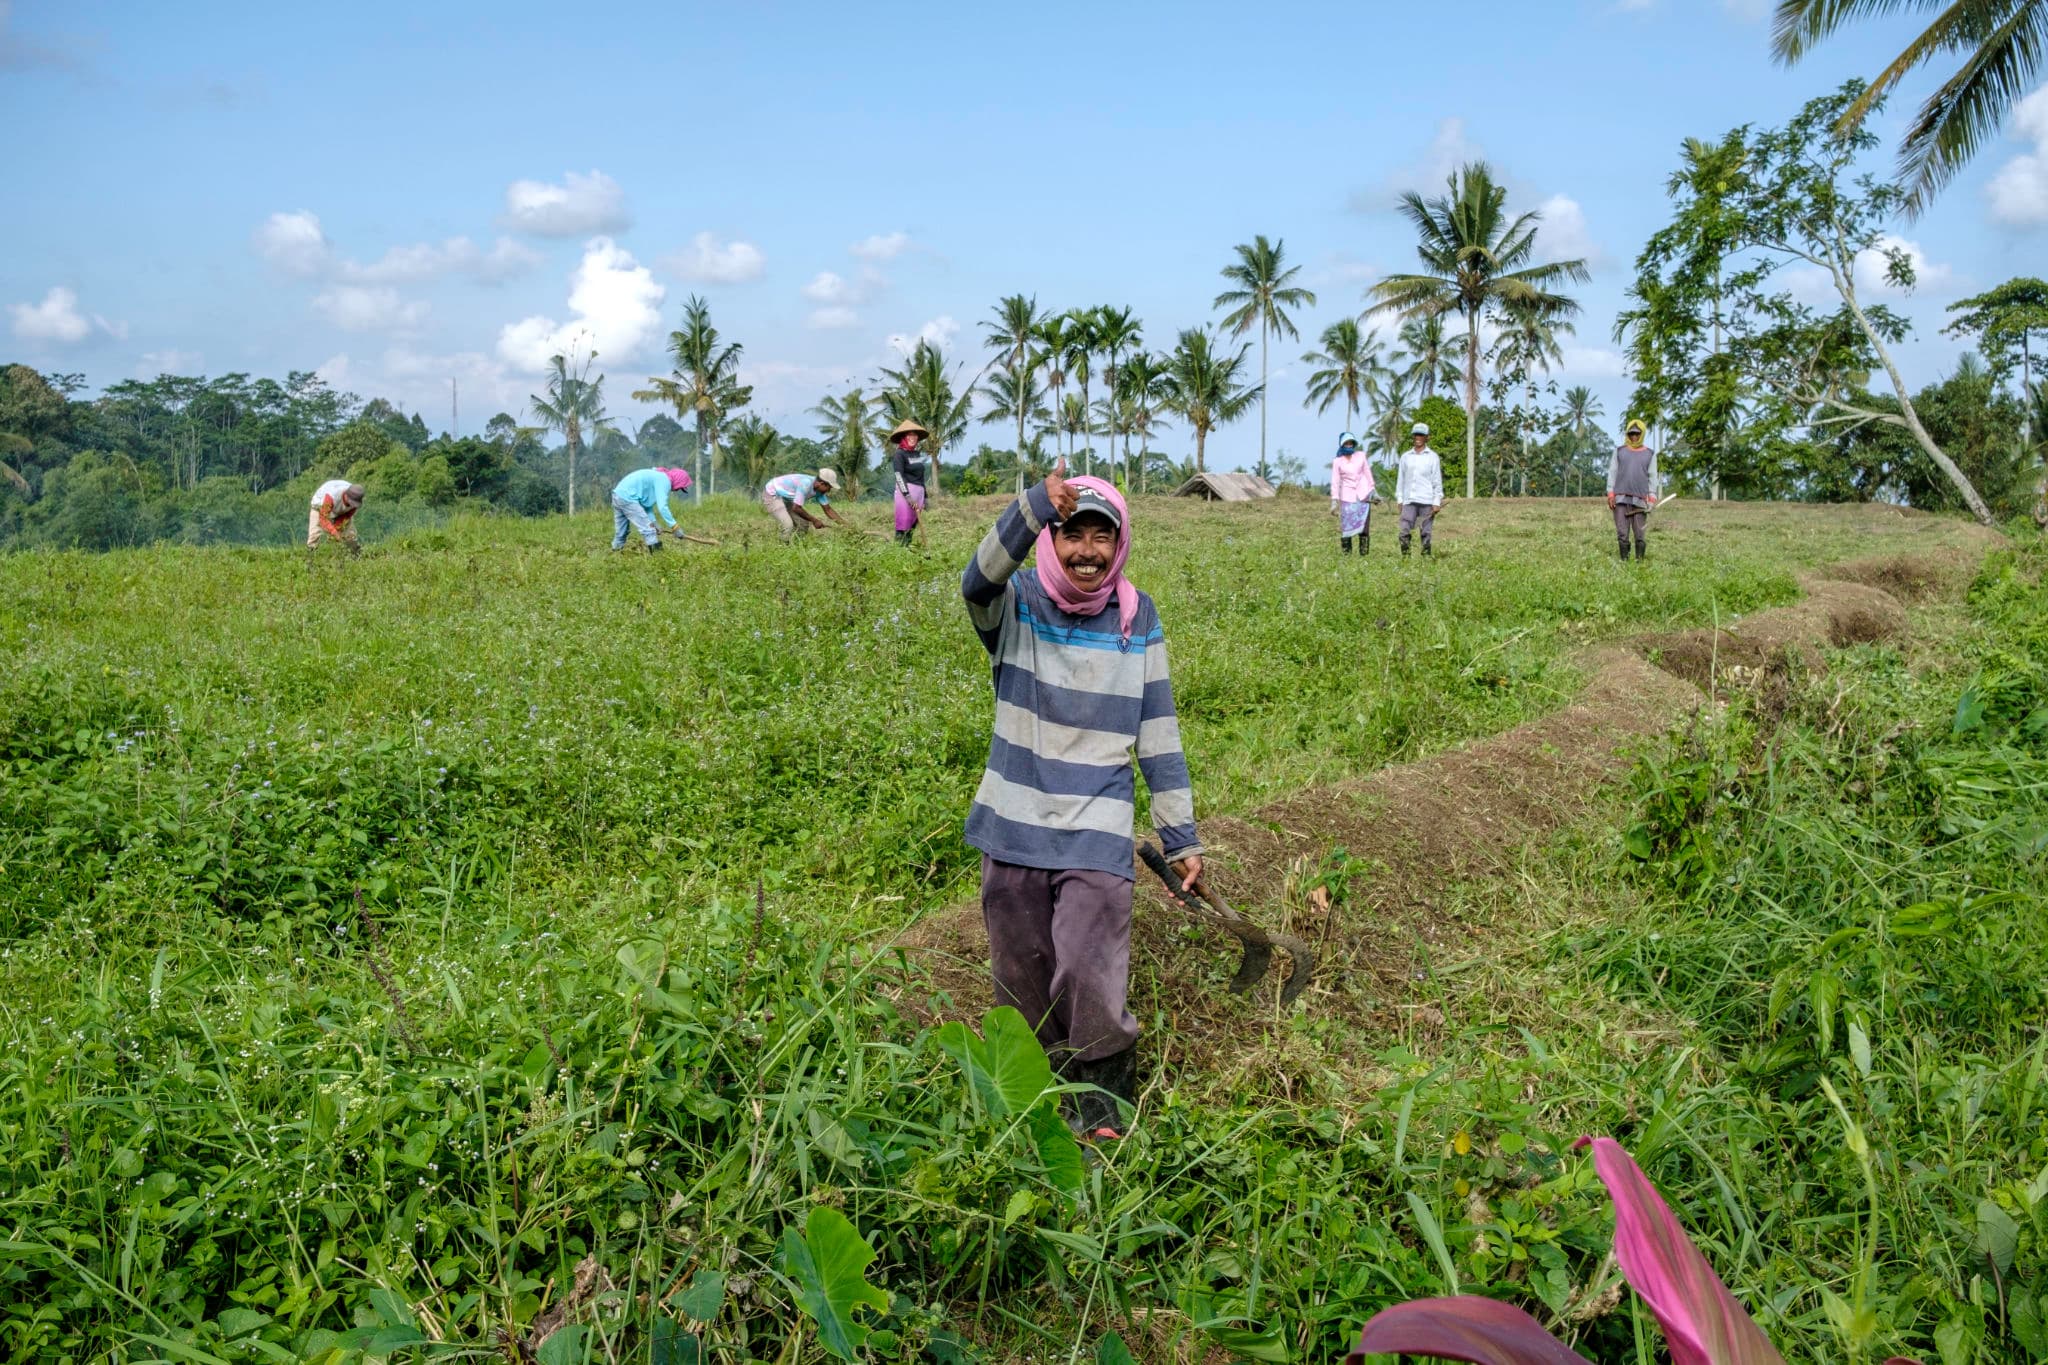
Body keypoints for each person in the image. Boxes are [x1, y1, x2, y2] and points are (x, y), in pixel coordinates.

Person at [961, 456, 1204, 1142]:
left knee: (1087, 961)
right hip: (1014, 820)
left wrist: (1181, 834)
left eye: (1102, 536)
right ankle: (1036, 1100)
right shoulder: (1016, 609)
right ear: (1050, 540)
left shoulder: (1138, 617)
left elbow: (1158, 731)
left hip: (1096, 823)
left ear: (1119, 543)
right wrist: (1031, 505)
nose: (1087, 551)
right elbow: (976, 579)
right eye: (1072, 533)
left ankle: (1100, 1106)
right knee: (1020, 968)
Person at [1607, 420, 1659, 562]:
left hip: (1640, 500)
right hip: (1620, 499)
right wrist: (1610, 494)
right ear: (1627, 434)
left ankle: (1639, 563)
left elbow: (1652, 477)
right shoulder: (1619, 451)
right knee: (1622, 533)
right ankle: (1624, 561)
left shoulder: (1650, 454)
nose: (1634, 436)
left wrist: (1652, 497)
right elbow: (1612, 473)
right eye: (1631, 433)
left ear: (1641, 434)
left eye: (1637, 433)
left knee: (1640, 534)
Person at [610, 465, 691, 551]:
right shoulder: (664, 480)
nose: (677, 490)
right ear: (678, 480)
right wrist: (675, 527)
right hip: (628, 498)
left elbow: (646, 505)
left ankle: (614, 554)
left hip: (618, 495)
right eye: (680, 487)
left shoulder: (657, 476)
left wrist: (654, 522)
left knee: (621, 532)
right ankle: (658, 559)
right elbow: (663, 507)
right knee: (649, 530)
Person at [1394, 422, 1444, 558]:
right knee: (1404, 530)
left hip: (1426, 501)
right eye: (1416, 434)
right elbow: (1401, 480)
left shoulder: (1433, 457)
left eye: (1421, 435)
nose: (1418, 437)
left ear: (1427, 437)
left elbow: (1437, 481)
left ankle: (1426, 558)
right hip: (1409, 500)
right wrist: (1400, 499)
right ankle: (1406, 557)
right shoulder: (1405, 457)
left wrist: (1437, 501)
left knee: (1425, 532)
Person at [761, 467, 849, 539]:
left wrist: (846, 526)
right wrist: (814, 520)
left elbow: (828, 510)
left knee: (803, 524)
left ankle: (795, 545)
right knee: (788, 525)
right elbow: (796, 508)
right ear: (821, 484)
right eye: (829, 487)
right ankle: (782, 549)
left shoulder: (819, 492)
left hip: (787, 498)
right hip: (772, 494)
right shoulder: (806, 483)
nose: (829, 490)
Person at [1329, 432, 1377, 555]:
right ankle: (1347, 557)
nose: (1349, 445)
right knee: (1347, 528)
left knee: (1364, 528)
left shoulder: (1361, 456)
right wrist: (1334, 501)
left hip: (1363, 496)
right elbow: (1335, 481)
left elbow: (1367, 473)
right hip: (1347, 498)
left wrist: (1373, 490)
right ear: (1342, 444)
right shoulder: (1337, 461)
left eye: (1351, 443)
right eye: (1346, 443)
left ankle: (1364, 557)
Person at [888, 418, 932, 547]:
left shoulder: (916, 454)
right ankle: (898, 551)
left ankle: (907, 548)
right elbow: (899, 476)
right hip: (905, 492)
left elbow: (921, 476)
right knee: (903, 524)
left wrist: (926, 498)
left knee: (913, 525)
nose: (913, 438)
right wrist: (908, 496)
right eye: (909, 435)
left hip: (919, 492)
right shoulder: (899, 455)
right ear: (904, 437)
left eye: (914, 435)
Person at [308, 479, 365, 556]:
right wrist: (335, 533)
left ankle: (356, 556)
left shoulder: (356, 497)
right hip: (319, 507)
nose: (353, 505)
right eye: (352, 502)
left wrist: (337, 529)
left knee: (350, 535)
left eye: (355, 503)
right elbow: (323, 519)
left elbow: (347, 516)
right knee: (314, 535)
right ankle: (310, 557)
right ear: (346, 495)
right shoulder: (332, 496)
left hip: (341, 512)